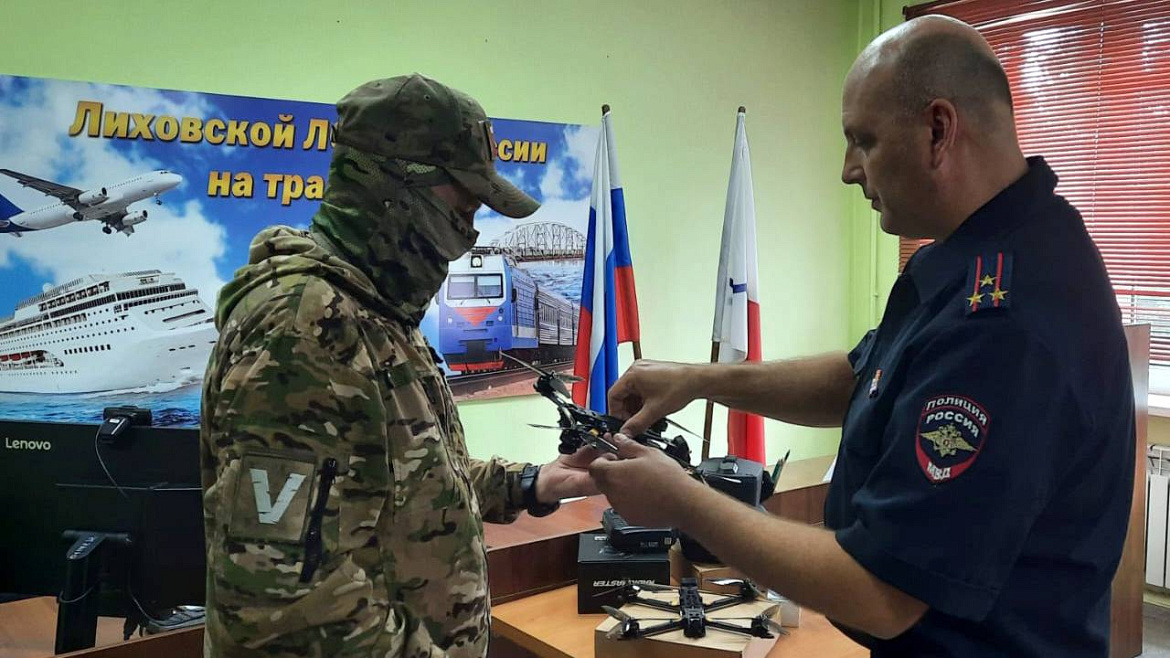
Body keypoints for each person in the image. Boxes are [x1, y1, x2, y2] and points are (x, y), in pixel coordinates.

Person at [590, 15, 1135, 657]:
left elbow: (882, 593)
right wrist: (699, 380)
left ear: (938, 130)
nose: (849, 171)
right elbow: (864, 379)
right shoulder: (964, 255)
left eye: (863, 141)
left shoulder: (1008, 318)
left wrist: (682, 501)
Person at [200, 74, 602, 657]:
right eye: (463, 207)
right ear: (394, 190)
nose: (468, 234)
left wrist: (531, 484)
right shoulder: (304, 329)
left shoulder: (375, 314)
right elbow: (286, 613)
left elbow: (402, 479)